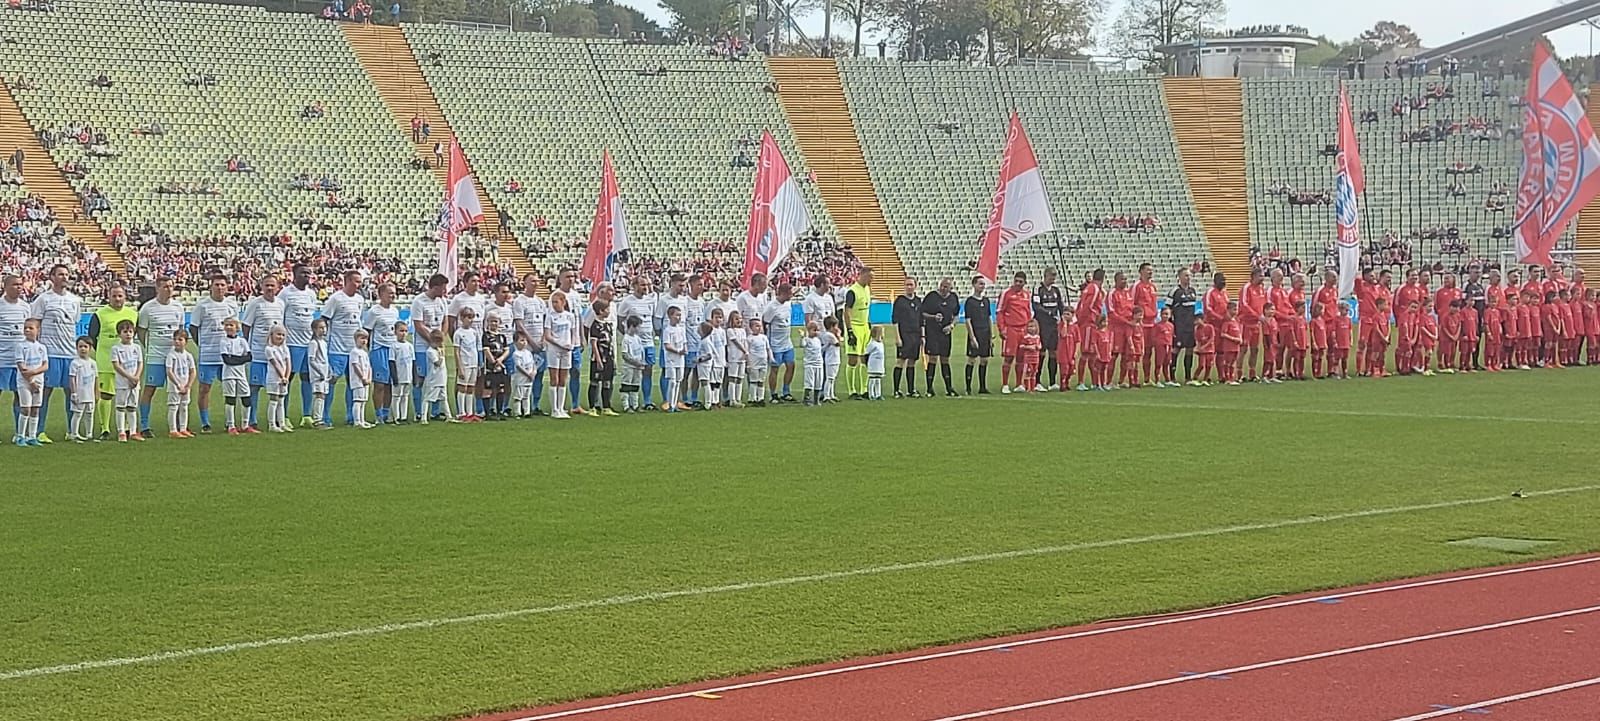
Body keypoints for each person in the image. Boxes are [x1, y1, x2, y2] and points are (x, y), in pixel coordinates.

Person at [29, 264, 82, 442]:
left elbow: (74, 323)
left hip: (69, 353)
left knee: (71, 392)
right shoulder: (43, 300)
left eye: (66, 274)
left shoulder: (75, 300)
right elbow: (35, 324)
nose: (64, 277)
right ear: (52, 277)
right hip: (50, 352)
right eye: (60, 274)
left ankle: (72, 430)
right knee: (45, 392)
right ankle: (39, 430)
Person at [87, 282, 137, 440]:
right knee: (106, 395)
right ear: (108, 297)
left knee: (128, 396)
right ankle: (105, 429)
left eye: (120, 295)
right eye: (114, 296)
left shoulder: (132, 313)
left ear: (125, 297)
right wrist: (104, 352)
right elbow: (92, 337)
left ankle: (127, 428)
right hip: (106, 363)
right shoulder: (100, 314)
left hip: (128, 365)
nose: (117, 299)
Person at [136, 276, 185, 437]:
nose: (169, 289)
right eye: (165, 286)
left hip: (176, 357)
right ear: (157, 288)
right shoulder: (148, 308)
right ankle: (144, 425)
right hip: (156, 356)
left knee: (179, 389)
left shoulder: (178, 307)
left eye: (171, 286)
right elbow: (142, 331)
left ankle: (179, 426)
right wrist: (150, 346)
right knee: (150, 389)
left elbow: (181, 331)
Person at [189, 274, 237, 433]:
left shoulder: (231, 305)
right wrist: (203, 345)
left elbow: (234, 327)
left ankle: (230, 422)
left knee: (230, 388)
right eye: (216, 284)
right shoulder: (202, 306)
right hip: (209, 356)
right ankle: (205, 422)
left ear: (227, 286)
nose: (220, 287)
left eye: (222, 285)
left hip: (227, 357)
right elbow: (194, 328)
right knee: (204, 389)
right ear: (211, 286)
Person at [321, 270, 367, 425]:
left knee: (353, 383)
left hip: (353, 349)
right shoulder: (335, 299)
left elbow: (359, 322)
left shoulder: (360, 299)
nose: (358, 284)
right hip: (336, 349)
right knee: (331, 381)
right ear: (346, 281)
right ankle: (325, 416)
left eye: (360, 281)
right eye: (356, 281)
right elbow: (324, 320)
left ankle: (352, 416)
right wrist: (325, 341)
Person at [240, 276, 286, 430]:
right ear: (261, 286)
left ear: (278, 287)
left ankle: (277, 420)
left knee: (276, 388)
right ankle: (251, 420)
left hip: (275, 356)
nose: (270, 288)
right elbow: (246, 325)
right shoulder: (255, 304)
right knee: (254, 387)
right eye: (267, 285)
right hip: (259, 353)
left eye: (273, 285)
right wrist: (248, 345)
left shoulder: (280, 304)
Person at [280, 264, 320, 425]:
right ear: (294, 275)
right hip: (291, 343)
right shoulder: (286, 294)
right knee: (287, 378)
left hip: (308, 343)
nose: (306, 276)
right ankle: (283, 415)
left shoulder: (311, 294)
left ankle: (306, 415)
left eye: (309, 273)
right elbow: (280, 315)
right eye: (303, 273)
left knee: (307, 378)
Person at [410, 273, 451, 419]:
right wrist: (432, 341)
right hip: (422, 347)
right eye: (443, 288)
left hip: (438, 347)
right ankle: (419, 412)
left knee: (437, 377)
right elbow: (418, 325)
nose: (445, 291)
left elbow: (445, 321)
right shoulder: (419, 301)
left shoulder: (442, 302)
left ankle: (434, 412)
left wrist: (441, 340)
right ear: (435, 287)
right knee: (421, 379)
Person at [364, 283, 401, 424]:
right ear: (381, 295)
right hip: (379, 349)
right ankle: (378, 414)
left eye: (394, 293)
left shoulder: (395, 311)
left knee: (390, 383)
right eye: (390, 293)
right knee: (379, 384)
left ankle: (386, 413)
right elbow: (367, 331)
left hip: (392, 350)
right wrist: (369, 349)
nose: (393, 295)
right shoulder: (374, 311)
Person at [618, 275, 657, 410]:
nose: (645, 287)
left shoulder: (651, 301)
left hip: (648, 342)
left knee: (648, 370)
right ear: (634, 286)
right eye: (642, 285)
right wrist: (629, 337)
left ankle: (647, 401)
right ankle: (629, 402)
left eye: (646, 285)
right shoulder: (627, 302)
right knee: (633, 371)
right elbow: (620, 321)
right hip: (635, 344)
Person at [921, 276, 960, 396]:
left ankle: (949, 388)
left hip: (945, 333)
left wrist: (951, 326)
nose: (943, 289)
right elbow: (922, 313)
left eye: (946, 287)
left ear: (951, 288)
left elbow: (956, 315)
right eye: (942, 286)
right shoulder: (931, 297)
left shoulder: (953, 298)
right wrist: (933, 317)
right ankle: (929, 389)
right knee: (932, 358)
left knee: (945, 359)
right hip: (932, 332)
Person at [543, 290, 579, 419]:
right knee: (554, 378)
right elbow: (547, 335)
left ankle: (561, 407)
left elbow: (574, 332)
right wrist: (559, 344)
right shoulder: (550, 316)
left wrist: (572, 344)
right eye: (552, 302)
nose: (554, 305)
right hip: (554, 349)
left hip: (566, 350)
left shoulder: (570, 316)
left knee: (563, 379)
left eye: (556, 302)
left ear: (563, 302)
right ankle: (554, 409)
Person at [996, 271, 1031, 393]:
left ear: (1024, 283)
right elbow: (1000, 311)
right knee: (1009, 357)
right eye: (1016, 281)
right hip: (1011, 329)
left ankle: (1018, 384)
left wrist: (1029, 329)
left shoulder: (1027, 295)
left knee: (1021, 358)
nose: (1018, 284)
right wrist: (1002, 328)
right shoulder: (1006, 293)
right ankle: (1005, 384)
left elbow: (1029, 312)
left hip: (1023, 329)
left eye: (1020, 282)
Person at [1032, 268, 1066, 391]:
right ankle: (1037, 381)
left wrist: (1064, 317)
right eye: (1051, 276)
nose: (1053, 279)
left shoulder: (1056, 290)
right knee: (1041, 352)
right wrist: (1049, 313)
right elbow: (1036, 306)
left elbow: (1060, 305)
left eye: (1054, 277)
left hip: (1053, 325)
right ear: (1045, 276)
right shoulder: (1038, 289)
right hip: (1042, 324)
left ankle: (1052, 382)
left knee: (1053, 352)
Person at [111, 319, 143, 442]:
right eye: (125, 331)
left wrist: (136, 377)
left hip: (135, 383)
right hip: (122, 383)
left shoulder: (137, 347)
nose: (128, 334)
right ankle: (122, 432)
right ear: (119, 334)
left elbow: (140, 363)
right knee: (121, 407)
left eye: (130, 331)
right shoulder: (116, 348)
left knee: (132, 407)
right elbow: (116, 365)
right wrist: (129, 377)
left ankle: (133, 431)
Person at [15, 320, 46, 446]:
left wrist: (34, 372)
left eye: (30, 328)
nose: (27, 330)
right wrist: (31, 381)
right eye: (25, 328)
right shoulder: (20, 346)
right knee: (25, 408)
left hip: (39, 381)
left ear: (38, 330)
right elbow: (22, 367)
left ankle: (32, 436)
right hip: (25, 382)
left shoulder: (41, 347)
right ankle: (20, 436)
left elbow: (45, 365)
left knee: (35, 409)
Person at [764, 283, 796, 401]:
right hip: (775, 344)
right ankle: (773, 394)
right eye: (790, 293)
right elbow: (765, 322)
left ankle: (786, 391)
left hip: (787, 342)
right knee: (775, 368)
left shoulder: (788, 304)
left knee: (791, 365)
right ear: (784, 293)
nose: (792, 295)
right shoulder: (772, 307)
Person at [219, 318, 251, 435]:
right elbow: (227, 360)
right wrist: (240, 359)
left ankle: (245, 425)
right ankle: (231, 425)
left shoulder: (242, 341)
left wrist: (235, 358)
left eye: (231, 325)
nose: (228, 327)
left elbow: (249, 357)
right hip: (229, 375)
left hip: (241, 374)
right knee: (230, 399)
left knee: (246, 398)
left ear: (237, 327)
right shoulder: (223, 341)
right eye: (226, 325)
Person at [891, 278, 921, 398]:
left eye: (911, 285)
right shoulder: (900, 301)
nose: (909, 287)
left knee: (912, 361)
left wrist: (922, 336)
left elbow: (921, 320)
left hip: (916, 334)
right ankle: (896, 390)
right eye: (907, 285)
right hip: (904, 334)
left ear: (915, 286)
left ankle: (910, 389)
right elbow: (895, 320)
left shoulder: (918, 301)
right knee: (901, 361)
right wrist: (897, 337)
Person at [1167, 268, 1198, 384]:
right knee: (1176, 349)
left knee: (1190, 350)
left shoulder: (1192, 291)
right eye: (1185, 275)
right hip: (1179, 326)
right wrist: (1171, 324)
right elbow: (1167, 308)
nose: (1188, 278)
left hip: (1190, 327)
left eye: (1189, 276)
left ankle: (1188, 377)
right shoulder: (1175, 291)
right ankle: (1172, 377)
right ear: (1179, 277)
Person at [586, 298, 616, 416]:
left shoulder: (608, 325)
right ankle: (592, 407)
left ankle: (606, 406)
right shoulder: (595, 325)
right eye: (607, 309)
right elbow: (593, 343)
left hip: (609, 357)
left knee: (607, 382)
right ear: (601, 311)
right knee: (594, 382)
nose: (609, 311)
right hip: (599, 358)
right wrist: (598, 359)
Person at [1237, 269, 1267, 382]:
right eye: (1260, 276)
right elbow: (1244, 305)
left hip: (1256, 324)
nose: (1262, 278)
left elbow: (1264, 304)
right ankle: (1239, 373)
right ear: (1253, 276)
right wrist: (1257, 315)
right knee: (1243, 348)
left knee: (1255, 349)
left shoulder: (1261, 289)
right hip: (1246, 323)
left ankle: (1252, 373)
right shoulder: (1246, 288)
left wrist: (1264, 315)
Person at [1132, 263, 1159, 387]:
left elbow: (1154, 304)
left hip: (1152, 324)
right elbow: (1132, 304)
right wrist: (1137, 320)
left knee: (1149, 351)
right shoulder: (1137, 286)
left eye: (1151, 270)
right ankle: (1134, 379)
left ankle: (1148, 379)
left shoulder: (1153, 286)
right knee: (1138, 352)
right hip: (1142, 324)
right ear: (1141, 271)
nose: (1150, 272)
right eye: (1148, 270)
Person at [165, 329, 195, 438]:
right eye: (175, 339)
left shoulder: (188, 356)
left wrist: (188, 386)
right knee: (173, 407)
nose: (177, 342)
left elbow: (192, 371)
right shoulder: (171, 355)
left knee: (184, 406)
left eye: (180, 339)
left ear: (186, 342)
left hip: (185, 385)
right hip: (175, 386)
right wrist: (178, 384)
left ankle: (183, 428)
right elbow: (169, 371)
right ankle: (173, 430)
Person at [453, 307, 482, 422]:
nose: (470, 320)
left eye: (472, 318)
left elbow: (477, 348)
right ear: (462, 318)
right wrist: (459, 367)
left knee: (471, 388)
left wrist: (479, 364)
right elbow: (456, 351)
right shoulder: (458, 333)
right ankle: (461, 412)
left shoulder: (474, 332)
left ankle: (470, 412)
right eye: (468, 318)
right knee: (462, 387)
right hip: (464, 363)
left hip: (473, 363)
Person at [964, 277, 992, 395]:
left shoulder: (986, 301)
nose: (982, 286)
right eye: (980, 284)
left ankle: (982, 387)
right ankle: (968, 387)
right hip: (976, 333)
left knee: (984, 360)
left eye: (983, 284)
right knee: (972, 360)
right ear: (974, 285)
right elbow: (968, 320)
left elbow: (989, 318)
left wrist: (991, 335)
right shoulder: (970, 302)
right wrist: (972, 337)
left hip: (985, 334)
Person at [261, 326, 292, 433]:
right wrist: (282, 376)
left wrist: (286, 377)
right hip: (274, 377)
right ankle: (272, 424)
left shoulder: (285, 349)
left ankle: (282, 423)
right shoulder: (269, 349)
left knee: (281, 401)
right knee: (274, 400)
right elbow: (275, 364)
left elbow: (288, 364)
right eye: (278, 334)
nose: (280, 337)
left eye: (283, 335)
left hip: (283, 379)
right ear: (271, 335)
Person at [67, 337, 98, 443]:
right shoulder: (75, 363)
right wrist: (74, 393)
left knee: (90, 413)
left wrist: (96, 393)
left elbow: (96, 378)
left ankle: (89, 434)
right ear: (76, 348)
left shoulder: (93, 363)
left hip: (90, 394)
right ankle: (74, 434)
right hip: (80, 393)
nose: (83, 349)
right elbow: (72, 379)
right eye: (80, 346)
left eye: (85, 346)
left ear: (90, 348)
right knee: (77, 413)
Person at [481, 314, 511, 419]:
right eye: (491, 321)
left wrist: (500, 360)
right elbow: (486, 350)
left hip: (500, 366)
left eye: (496, 321)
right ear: (488, 323)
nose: (494, 323)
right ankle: (487, 413)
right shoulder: (486, 336)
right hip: (490, 367)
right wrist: (494, 362)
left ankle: (499, 412)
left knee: (501, 388)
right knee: (488, 389)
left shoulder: (502, 337)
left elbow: (507, 350)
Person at [662, 305, 687, 412]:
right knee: (672, 382)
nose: (679, 317)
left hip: (680, 359)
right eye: (676, 315)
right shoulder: (667, 330)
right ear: (670, 316)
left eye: (680, 315)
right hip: (671, 359)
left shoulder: (681, 329)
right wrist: (677, 351)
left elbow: (684, 342)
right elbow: (667, 345)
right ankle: (670, 404)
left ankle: (675, 403)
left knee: (678, 381)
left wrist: (685, 349)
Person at [308, 318, 332, 429]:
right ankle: (317, 420)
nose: (323, 330)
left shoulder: (324, 343)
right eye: (320, 328)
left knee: (323, 395)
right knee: (319, 394)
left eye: (324, 327)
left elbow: (326, 359)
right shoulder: (313, 343)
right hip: (318, 373)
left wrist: (329, 370)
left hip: (324, 372)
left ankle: (320, 418)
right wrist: (319, 372)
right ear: (314, 329)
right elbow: (311, 360)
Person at [617, 320, 645, 414]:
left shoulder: (637, 338)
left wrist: (641, 362)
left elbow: (641, 351)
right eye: (638, 327)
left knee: (635, 385)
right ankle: (626, 405)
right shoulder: (626, 339)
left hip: (637, 366)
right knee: (626, 385)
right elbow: (625, 354)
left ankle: (635, 405)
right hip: (628, 367)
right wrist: (635, 362)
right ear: (632, 326)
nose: (639, 329)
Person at [349, 329, 375, 428]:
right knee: (358, 400)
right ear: (356, 339)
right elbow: (356, 366)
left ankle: (362, 420)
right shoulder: (354, 352)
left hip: (365, 381)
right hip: (358, 381)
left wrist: (368, 378)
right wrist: (362, 378)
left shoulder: (364, 352)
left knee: (363, 401)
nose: (364, 341)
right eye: (361, 338)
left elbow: (368, 367)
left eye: (366, 339)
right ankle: (357, 421)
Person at [421, 330, 447, 424]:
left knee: (444, 398)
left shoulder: (438, 350)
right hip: (433, 379)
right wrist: (442, 355)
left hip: (441, 378)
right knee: (427, 398)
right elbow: (437, 363)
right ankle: (423, 417)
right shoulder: (430, 351)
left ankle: (448, 416)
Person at [391, 323, 414, 424]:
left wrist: (414, 376)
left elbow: (413, 361)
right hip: (399, 376)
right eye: (401, 331)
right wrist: (394, 377)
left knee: (405, 396)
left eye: (405, 331)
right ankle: (396, 417)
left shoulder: (409, 346)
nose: (403, 333)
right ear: (395, 332)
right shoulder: (394, 346)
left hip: (408, 376)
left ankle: (403, 417)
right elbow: (391, 362)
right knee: (396, 396)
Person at [724, 310, 748, 407]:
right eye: (736, 319)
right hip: (734, 356)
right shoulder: (730, 331)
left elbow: (745, 342)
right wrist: (744, 350)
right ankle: (732, 399)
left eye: (740, 319)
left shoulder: (742, 331)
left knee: (740, 378)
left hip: (742, 357)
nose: (739, 321)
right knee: (732, 378)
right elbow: (736, 342)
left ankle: (738, 398)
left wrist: (746, 352)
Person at [513, 332, 539, 417]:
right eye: (521, 340)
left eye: (525, 340)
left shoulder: (528, 353)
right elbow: (519, 366)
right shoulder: (516, 354)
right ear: (515, 342)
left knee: (527, 396)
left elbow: (533, 363)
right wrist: (528, 374)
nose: (524, 343)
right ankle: (517, 412)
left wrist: (534, 372)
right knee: (518, 396)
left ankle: (527, 412)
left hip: (529, 379)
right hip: (520, 379)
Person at [746, 317, 770, 406]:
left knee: (761, 380)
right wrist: (748, 364)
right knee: (754, 381)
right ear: (751, 327)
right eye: (756, 326)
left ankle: (761, 398)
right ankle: (752, 398)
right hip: (754, 363)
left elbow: (768, 349)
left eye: (760, 326)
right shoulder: (749, 339)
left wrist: (770, 358)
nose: (759, 328)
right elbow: (747, 351)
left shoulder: (764, 337)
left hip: (763, 362)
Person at [1219, 302, 1244, 385]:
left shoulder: (1236, 321)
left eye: (1236, 309)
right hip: (1229, 346)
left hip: (1236, 346)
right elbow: (1223, 334)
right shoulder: (1226, 322)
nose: (1236, 311)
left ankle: (1232, 378)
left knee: (1233, 363)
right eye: (1234, 309)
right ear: (1228, 310)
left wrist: (1240, 339)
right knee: (1228, 362)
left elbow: (1239, 331)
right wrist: (1234, 339)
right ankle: (1227, 378)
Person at [1152, 306, 1176, 387]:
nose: (1165, 316)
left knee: (1167, 363)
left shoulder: (1171, 326)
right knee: (1159, 363)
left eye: (1167, 314)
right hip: (1160, 346)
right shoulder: (1157, 326)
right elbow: (1154, 336)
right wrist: (1157, 345)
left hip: (1168, 346)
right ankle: (1157, 380)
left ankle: (1167, 380)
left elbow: (1171, 336)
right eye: (1163, 314)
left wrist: (1171, 346)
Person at [801, 320, 823, 406]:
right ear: (808, 330)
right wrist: (802, 337)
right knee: (809, 382)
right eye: (814, 330)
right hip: (810, 363)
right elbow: (802, 345)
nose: (816, 332)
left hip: (819, 363)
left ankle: (816, 399)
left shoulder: (818, 340)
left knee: (818, 381)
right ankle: (807, 399)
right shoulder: (807, 340)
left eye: (817, 330)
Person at [820, 316, 842, 402]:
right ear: (832, 327)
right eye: (836, 326)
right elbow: (838, 343)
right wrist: (839, 334)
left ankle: (831, 394)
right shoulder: (829, 335)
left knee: (833, 378)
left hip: (835, 358)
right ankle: (826, 395)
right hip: (831, 359)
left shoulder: (829, 335)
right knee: (830, 378)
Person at [1017, 320, 1042, 392]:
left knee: (1034, 373)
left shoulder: (1037, 337)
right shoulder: (1026, 337)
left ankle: (1033, 388)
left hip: (1036, 358)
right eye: (1029, 327)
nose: (1030, 328)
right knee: (1028, 372)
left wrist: (1038, 347)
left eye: (1032, 326)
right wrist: (1029, 347)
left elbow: (1040, 345)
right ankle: (1028, 388)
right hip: (1028, 359)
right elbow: (1021, 346)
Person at [1193, 311, 1216, 385]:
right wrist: (1198, 347)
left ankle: (1206, 379)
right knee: (1201, 365)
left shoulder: (1210, 327)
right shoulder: (1197, 329)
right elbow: (1198, 340)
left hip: (1210, 349)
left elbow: (1211, 339)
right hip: (1202, 351)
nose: (1195, 322)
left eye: (1197, 320)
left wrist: (1205, 346)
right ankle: (1195, 378)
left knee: (1209, 365)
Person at [864, 326, 885, 400]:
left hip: (880, 365)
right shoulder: (872, 344)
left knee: (878, 379)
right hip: (873, 364)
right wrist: (866, 363)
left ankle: (878, 394)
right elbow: (866, 353)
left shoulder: (881, 344)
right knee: (872, 379)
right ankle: (871, 394)